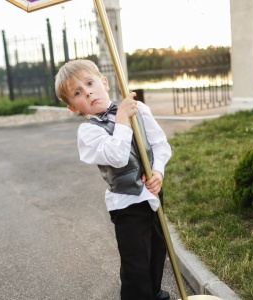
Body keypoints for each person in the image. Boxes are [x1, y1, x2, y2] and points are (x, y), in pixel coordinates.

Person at [55, 59, 172, 300]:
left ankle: (155, 293)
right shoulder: (88, 132)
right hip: (127, 205)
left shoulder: (139, 109)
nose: (87, 91)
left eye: (90, 83)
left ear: (104, 83)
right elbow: (117, 156)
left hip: (153, 194)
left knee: (157, 254)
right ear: (74, 108)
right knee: (136, 266)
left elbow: (160, 145)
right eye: (77, 92)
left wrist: (158, 171)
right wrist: (121, 119)